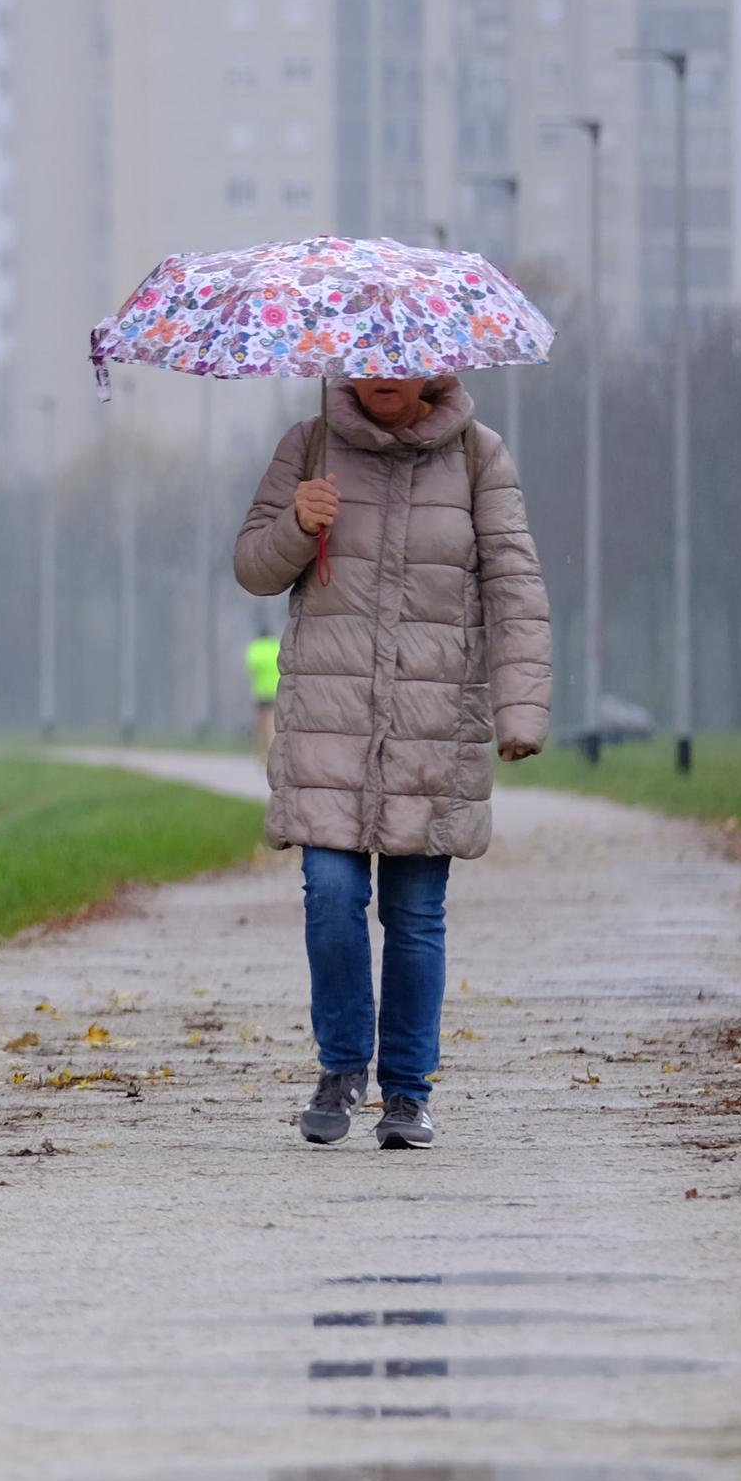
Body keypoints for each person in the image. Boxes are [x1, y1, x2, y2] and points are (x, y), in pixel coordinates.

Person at [233, 371, 551, 1151]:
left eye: (397, 361)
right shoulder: (309, 444)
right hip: (329, 726)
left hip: (432, 728)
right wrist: (297, 524)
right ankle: (342, 1066)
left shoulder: (478, 456)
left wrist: (520, 710)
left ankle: (408, 1091)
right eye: (365, 359)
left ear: (433, 366)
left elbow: (514, 587)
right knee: (330, 893)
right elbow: (252, 566)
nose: (381, 374)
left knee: (413, 914)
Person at [245, 629, 282, 761]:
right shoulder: (277, 646)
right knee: (271, 720)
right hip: (276, 689)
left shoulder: (256, 648)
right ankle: (272, 748)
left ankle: (261, 752)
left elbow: (251, 668)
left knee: (260, 721)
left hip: (261, 691)